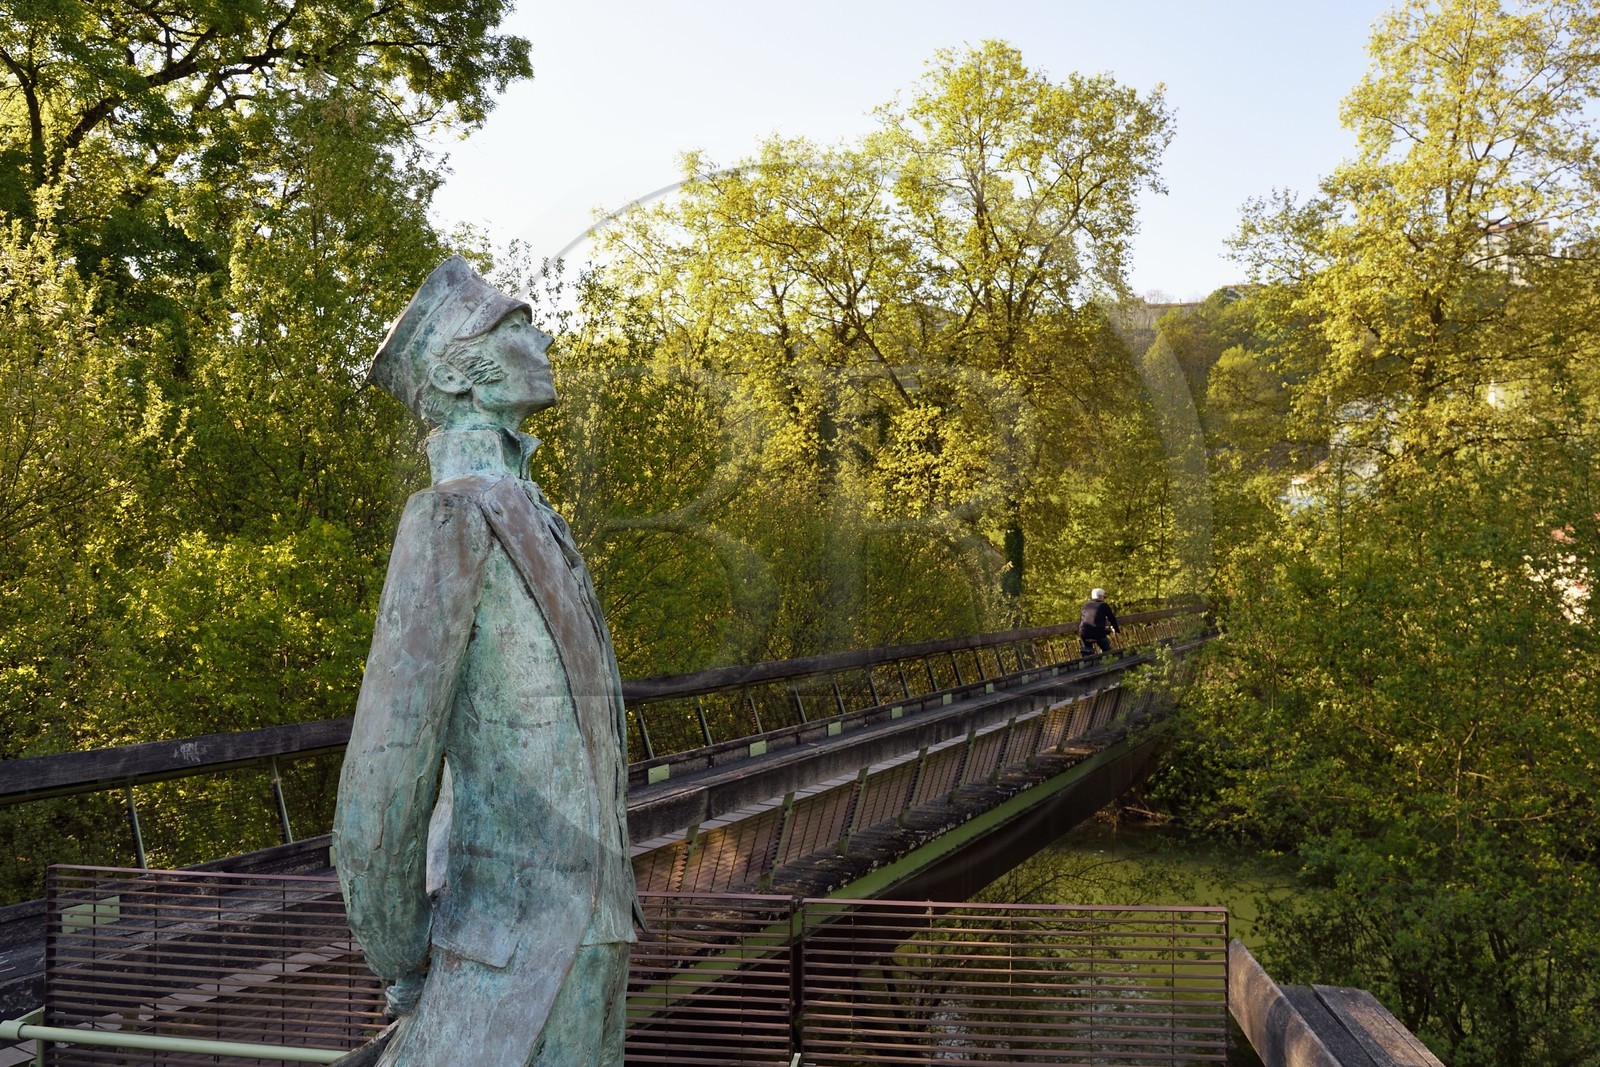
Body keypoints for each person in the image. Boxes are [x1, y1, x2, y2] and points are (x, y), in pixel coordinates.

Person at [331, 255, 638, 1066]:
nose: (541, 337)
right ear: (459, 372)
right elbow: (379, 794)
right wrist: (404, 958)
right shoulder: (449, 519)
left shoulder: (535, 516)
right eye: (513, 325)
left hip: (593, 945)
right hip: (501, 969)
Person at [1079, 587, 1118, 657]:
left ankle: (1087, 659)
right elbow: (1112, 618)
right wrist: (1116, 629)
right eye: (1104, 597)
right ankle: (1109, 661)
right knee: (1107, 650)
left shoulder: (1085, 605)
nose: (1104, 599)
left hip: (1084, 632)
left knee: (1087, 651)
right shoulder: (1104, 605)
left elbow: (1083, 618)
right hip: (1097, 632)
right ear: (1100, 596)